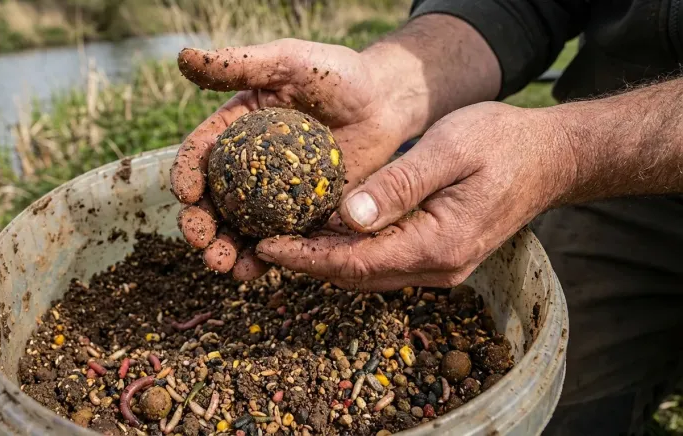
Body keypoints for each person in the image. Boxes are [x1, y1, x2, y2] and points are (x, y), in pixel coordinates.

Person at [170, 2, 683, 434]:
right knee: (559, 406)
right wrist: (392, 88)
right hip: (611, 160)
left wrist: (564, 153)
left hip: (605, 142)